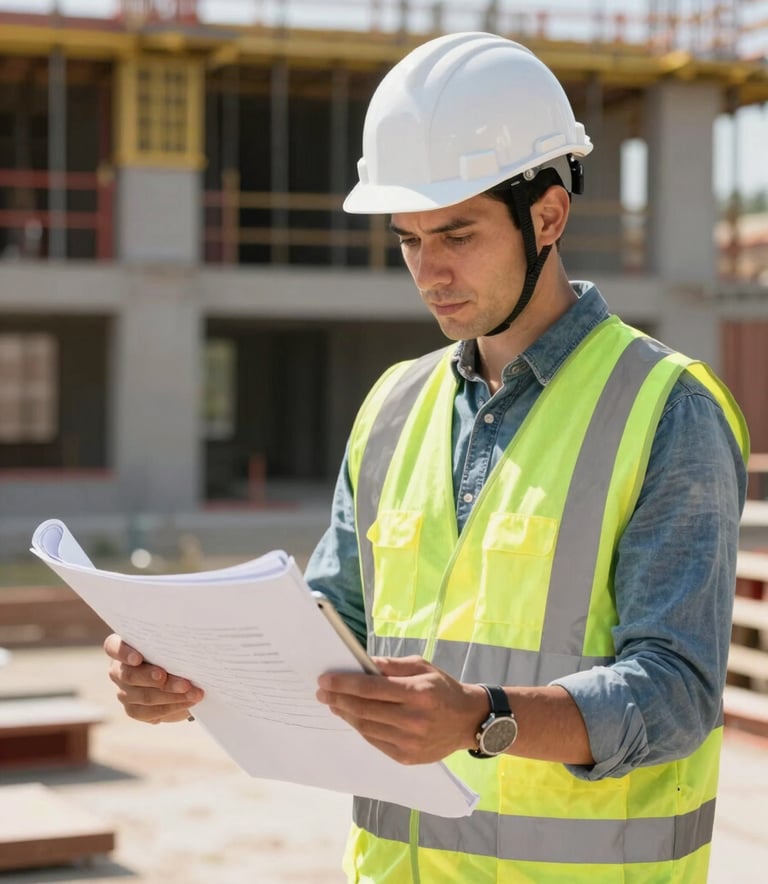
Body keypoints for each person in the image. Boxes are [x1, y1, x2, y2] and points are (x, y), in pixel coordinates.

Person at [105, 32, 749, 883]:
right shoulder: (391, 407)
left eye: (457, 233)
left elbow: (677, 694)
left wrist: (484, 718)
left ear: (548, 215)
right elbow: (327, 636)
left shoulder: (666, 407)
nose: (430, 272)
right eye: (409, 240)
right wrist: (187, 676)